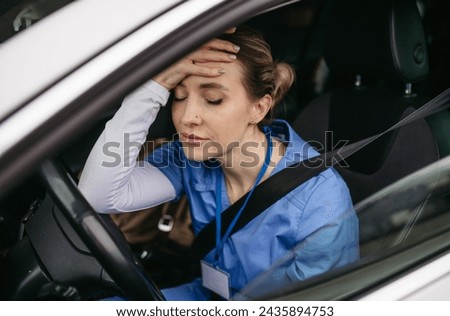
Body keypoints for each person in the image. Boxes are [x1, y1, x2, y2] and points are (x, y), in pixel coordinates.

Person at [78, 26, 359, 300]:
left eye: (213, 99)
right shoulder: (187, 157)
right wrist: (154, 87)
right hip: (207, 295)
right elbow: (99, 194)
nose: (188, 117)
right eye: (178, 96)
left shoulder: (319, 199)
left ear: (259, 108)